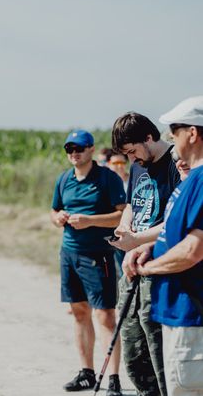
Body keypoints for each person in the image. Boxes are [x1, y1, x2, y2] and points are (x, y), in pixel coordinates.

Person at [124, 95, 203, 395]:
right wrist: (150, 248)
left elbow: (193, 250)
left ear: (192, 133)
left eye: (175, 132)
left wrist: (149, 267)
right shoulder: (190, 182)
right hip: (178, 316)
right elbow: (176, 237)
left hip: (193, 317)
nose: (171, 139)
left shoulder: (201, 182)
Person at [51, 130, 126, 395]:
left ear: (91, 149)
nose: (74, 153)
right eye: (69, 149)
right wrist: (58, 217)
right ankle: (86, 373)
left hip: (98, 255)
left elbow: (121, 216)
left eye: (79, 148)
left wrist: (90, 220)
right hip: (69, 253)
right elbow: (54, 210)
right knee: (79, 312)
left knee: (105, 315)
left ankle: (114, 379)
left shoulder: (108, 178)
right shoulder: (64, 179)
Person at [110, 112, 181, 396]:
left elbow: (177, 221)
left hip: (157, 265)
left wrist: (138, 240)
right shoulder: (139, 165)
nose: (132, 159)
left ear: (149, 138)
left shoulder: (178, 164)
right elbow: (131, 204)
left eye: (133, 151)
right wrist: (125, 225)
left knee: (157, 344)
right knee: (132, 347)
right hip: (131, 266)